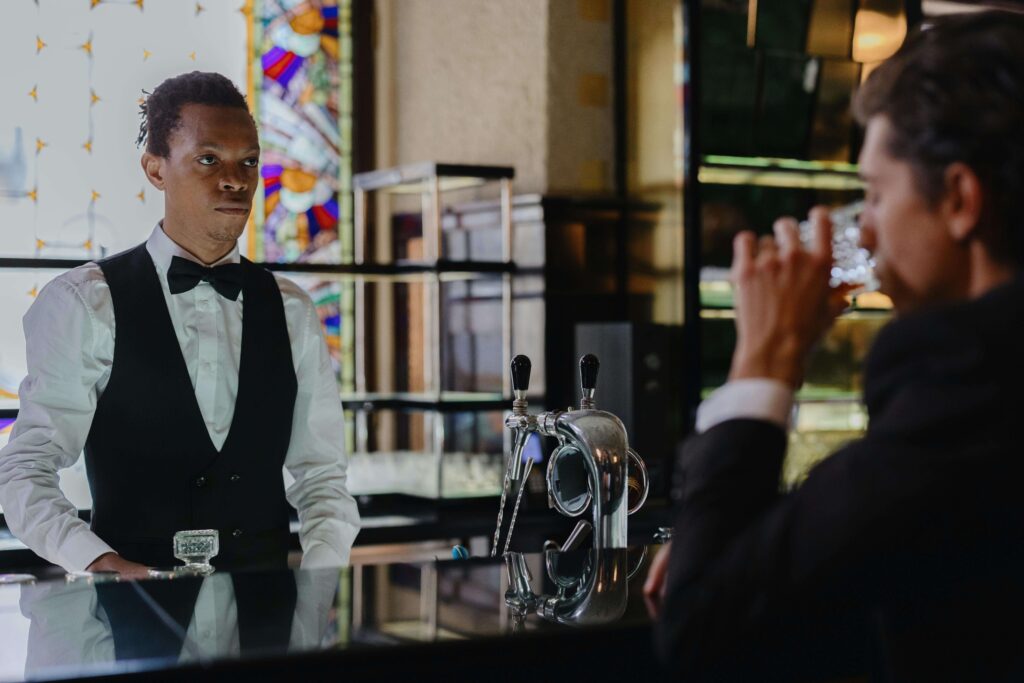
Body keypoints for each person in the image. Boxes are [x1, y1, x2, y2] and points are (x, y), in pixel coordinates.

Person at [645, 12, 1024, 681]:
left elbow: (703, 628)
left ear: (961, 199)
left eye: (875, 194)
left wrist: (763, 360)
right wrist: (755, 540)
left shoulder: (965, 377)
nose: (866, 234)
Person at [0, 71, 359, 578]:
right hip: (130, 630)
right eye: (208, 159)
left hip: (266, 631)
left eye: (248, 162)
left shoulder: (291, 309)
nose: (235, 179)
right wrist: (97, 561)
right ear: (155, 169)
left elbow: (322, 479)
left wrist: (319, 590)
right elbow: (25, 468)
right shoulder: (86, 302)